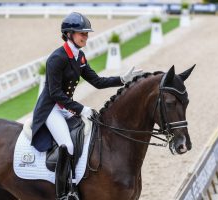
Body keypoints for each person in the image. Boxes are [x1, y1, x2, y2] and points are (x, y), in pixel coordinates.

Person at [31, 12, 142, 200]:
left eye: (86, 33)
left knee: (90, 136)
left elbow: (97, 81)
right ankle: (64, 193)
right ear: (68, 34)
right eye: (81, 33)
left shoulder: (79, 56)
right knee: (68, 145)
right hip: (50, 109)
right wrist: (81, 109)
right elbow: (55, 93)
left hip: (65, 108)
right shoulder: (57, 58)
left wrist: (122, 79)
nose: (85, 37)